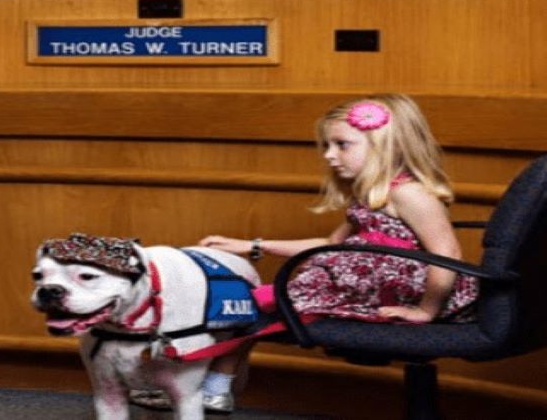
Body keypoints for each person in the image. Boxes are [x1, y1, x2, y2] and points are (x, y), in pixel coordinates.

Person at [134, 94, 478, 414]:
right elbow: (328, 245)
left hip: (403, 292)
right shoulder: (371, 196)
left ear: (387, 146)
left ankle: (209, 388)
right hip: (363, 284)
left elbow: (447, 252)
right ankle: (211, 388)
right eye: (327, 146)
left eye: (342, 145)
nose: (329, 155)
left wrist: (425, 310)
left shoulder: (411, 195)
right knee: (240, 306)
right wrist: (254, 246)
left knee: (246, 307)